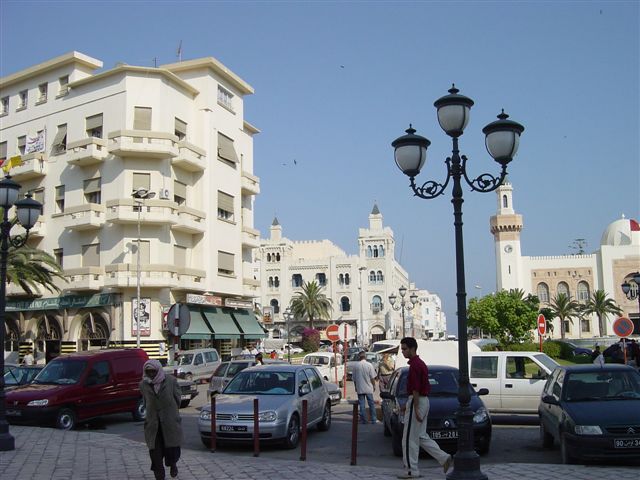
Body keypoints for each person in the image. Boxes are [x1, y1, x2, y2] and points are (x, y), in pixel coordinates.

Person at [398, 337, 452, 479]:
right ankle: (444, 458)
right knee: (420, 436)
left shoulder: (415, 365)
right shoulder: (420, 364)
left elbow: (415, 388)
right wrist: (409, 406)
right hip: (423, 400)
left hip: (418, 401)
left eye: (404, 349)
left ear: (412, 348)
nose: (402, 352)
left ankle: (411, 470)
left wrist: (414, 408)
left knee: (409, 439)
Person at [140, 359, 183, 480]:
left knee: (172, 450)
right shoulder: (143, 384)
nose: (151, 374)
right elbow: (145, 401)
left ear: (158, 370)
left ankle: (173, 464)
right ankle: (159, 476)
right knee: (155, 454)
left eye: (153, 371)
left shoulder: (170, 381)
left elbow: (177, 398)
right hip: (153, 425)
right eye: (148, 372)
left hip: (169, 423)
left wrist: (172, 413)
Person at [351, 351, 378, 424]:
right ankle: (373, 419)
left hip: (360, 387)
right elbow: (372, 377)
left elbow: (354, 379)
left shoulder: (356, 366)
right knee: (371, 404)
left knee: (362, 405)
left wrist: (355, 387)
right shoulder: (369, 365)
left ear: (359, 357)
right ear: (365, 357)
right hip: (368, 387)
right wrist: (374, 385)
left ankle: (364, 420)